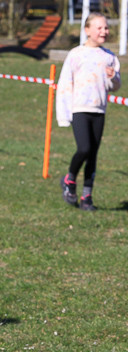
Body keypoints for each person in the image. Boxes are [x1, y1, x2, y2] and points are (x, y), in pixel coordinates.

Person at [56, 13, 121, 211]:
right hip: (80, 109)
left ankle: (87, 197)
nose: (104, 31)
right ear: (87, 31)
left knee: (93, 154)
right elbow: (65, 84)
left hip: (99, 110)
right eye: (99, 28)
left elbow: (115, 86)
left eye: (106, 28)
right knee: (83, 149)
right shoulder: (76, 54)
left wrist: (113, 77)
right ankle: (69, 178)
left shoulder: (109, 57)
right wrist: (64, 113)